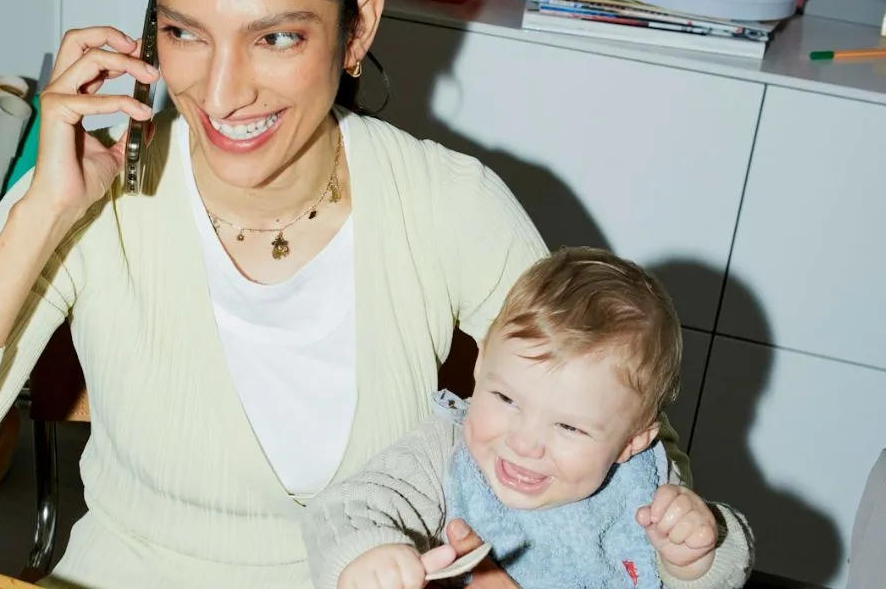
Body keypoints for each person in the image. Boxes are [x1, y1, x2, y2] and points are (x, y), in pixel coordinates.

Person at [0, 0, 689, 587]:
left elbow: (633, 455)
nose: (222, 92)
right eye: (184, 33)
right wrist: (39, 217)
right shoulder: (89, 198)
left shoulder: (446, 204)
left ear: (357, 29)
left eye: (275, 37)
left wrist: (518, 567)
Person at [303, 247, 754, 589]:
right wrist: (369, 555)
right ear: (480, 364)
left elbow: (725, 568)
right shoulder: (443, 456)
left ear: (632, 442)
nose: (523, 443)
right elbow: (344, 510)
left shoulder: (644, 485)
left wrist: (695, 554)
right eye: (506, 398)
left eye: (569, 427)